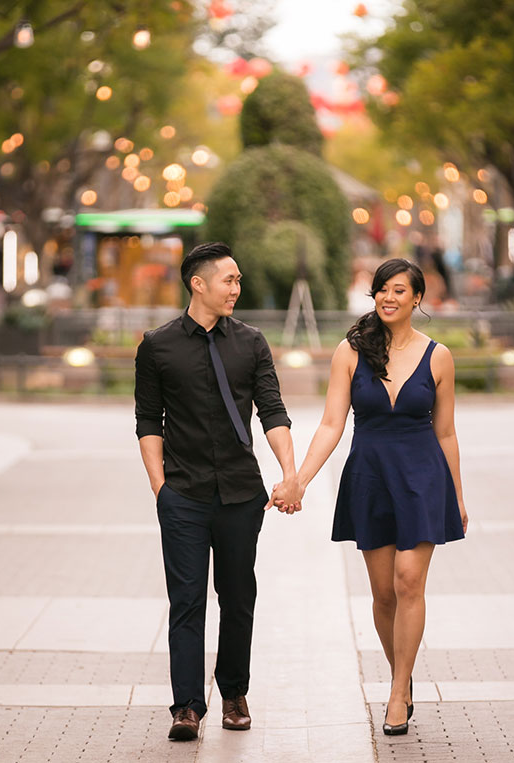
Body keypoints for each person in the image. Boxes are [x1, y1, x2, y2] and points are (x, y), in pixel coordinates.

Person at [282, 258, 466, 736]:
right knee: (383, 594)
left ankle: (398, 691)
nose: (388, 297)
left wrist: (457, 497)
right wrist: (299, 479)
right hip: (369, 475)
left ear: (417, 299)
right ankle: (400, 678)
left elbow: (446, 433)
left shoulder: (439, 356)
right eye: (381, 289)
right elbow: (330, 424)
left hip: (423, 476)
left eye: (399, 291)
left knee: (409, 582)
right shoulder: (350, 351)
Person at [133, 242, 300, 742]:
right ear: (197, 284)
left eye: (238, 280)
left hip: (240, 495)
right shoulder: (157, 346)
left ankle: (233, 693)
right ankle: (186, 706)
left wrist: (290, 472)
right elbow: (148, 421)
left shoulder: (251, 343)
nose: (236, 288)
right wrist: (161, 489)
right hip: (182, 495)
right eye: (229, 280)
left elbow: (273, 410)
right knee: (186, 601)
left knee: (237, 596)